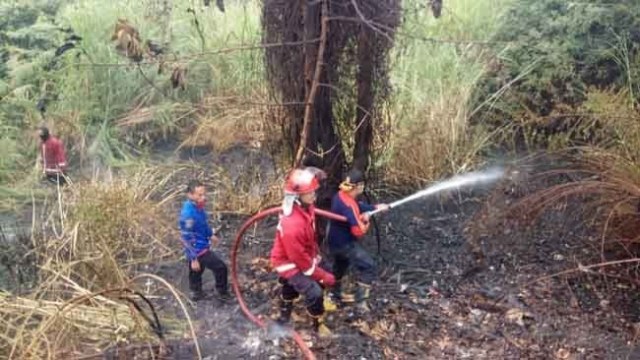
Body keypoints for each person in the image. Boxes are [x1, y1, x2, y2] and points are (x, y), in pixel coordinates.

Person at [270, 167, 337, 337]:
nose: (314, 195)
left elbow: (309, 237)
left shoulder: (307, 208)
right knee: (313, 291)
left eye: (314, 191)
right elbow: (300, 262)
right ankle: (316, 325)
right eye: (310, 193)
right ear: (297, 197)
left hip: (302, 256)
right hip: (288, 263)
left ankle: (290, 308)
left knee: (327, 268)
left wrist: (315, 253)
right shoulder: (292, 224)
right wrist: (321, 275)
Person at [327, 169, 390, 309]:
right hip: (345, 244)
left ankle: (334, 294)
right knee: (369, 266)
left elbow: (358, 207)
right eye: (362, 185)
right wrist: (366, 220)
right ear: (359, 186)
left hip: (334, 242)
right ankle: (361, 302)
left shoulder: (340, 195)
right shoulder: (349, 206)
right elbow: (358, 231)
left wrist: (375, 207)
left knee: (340, 266)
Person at [179, 180, 231, 302]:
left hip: (201, 243)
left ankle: (196, 293)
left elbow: (203, 224)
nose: (203, 197)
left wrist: (210, 234)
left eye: (204, 194)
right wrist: (193, 258)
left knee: (197, 271)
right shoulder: (188, 215)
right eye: (199, 195)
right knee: (220, 267)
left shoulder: (198, 207)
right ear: (190, 195)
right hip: (198, 249)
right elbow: (186, 237)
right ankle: (222, 293)